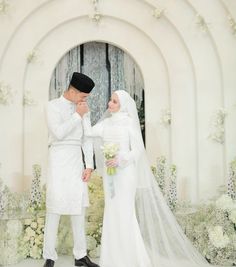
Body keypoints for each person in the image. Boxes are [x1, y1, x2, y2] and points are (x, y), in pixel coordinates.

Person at [84, 90, 216, 267]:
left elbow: (138, 150)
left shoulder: (129, 123)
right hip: (110, 176)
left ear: (122, 105)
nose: (110, 104)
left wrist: (121, 159)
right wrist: (83, 115)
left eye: (114, 101)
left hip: (125, 174)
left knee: (125, 213)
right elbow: (88, 133)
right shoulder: (105, 123)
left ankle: (130, 258)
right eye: (110, 100)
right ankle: (112, 259)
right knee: (112, 213)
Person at [43, 72, 99, 267]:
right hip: (58, 158)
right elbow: (58, 133)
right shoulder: (52, 106)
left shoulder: (82, 109)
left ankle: (80, 255)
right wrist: (77, 115)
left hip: (76, 160)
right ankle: (49, 257)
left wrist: (89, 165)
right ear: (74, 92)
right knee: (54, 208)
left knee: (78, 208)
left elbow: (87, 137)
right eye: (83, 96)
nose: (84, 100)